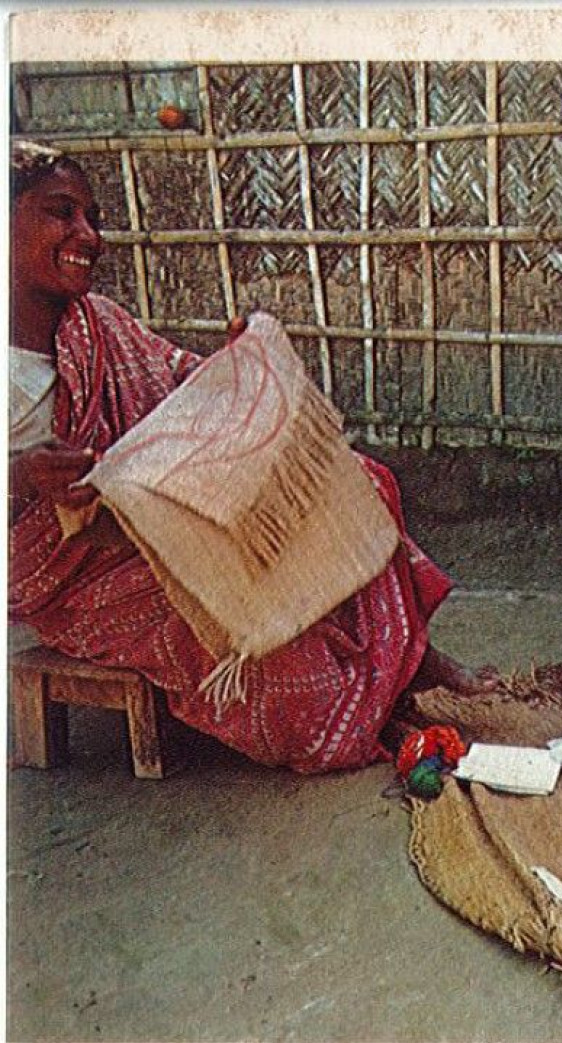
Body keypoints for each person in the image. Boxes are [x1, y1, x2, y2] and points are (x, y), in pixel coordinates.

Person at [8, 140, 488, 773]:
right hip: (67, 575)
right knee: (251, 629)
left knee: (358, 481)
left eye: (93, 218)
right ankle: (348, 714)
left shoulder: (95, 325)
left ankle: (408, 660)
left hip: (141, 524)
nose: (88, 235)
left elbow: (178, 380)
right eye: (61, 213)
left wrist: (237, 370)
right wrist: (21, 475)